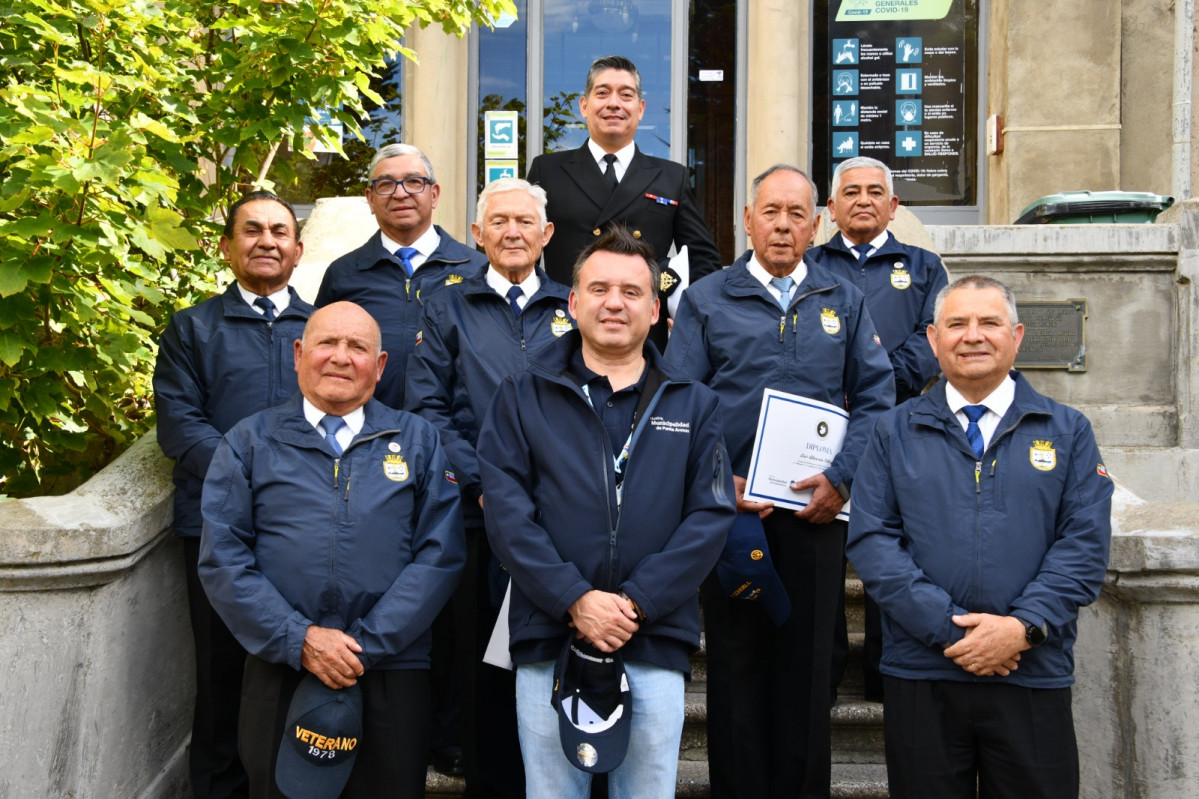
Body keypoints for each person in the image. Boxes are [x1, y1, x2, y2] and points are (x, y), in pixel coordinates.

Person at [476, 225, 736, 797]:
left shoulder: (695, 401)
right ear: (572, 303)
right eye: (598, 289)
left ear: (656, 307)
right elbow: (508, 515)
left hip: (652, 636)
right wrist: (574, 599)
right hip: (549, 634)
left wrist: (636, 604)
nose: (614, 302)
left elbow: (710, 518)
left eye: (631, 291)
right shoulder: (520, 395)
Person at [663, 164, 895, 798]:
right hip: (735, 515)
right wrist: (720, 482)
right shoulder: (707, 300)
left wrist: (842, 479)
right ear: (747, 219)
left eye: (798, 214)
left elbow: (878, 394)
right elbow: (679, 402)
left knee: (810, 670)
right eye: (772, 212)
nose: (785, 226)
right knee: (736, 671)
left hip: (817, 515)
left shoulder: (842, 298)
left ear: (816, 223)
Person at [846, 275, 1113, 798]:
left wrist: (1021, 628)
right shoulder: (892, 432)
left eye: (989, 323)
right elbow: (873, 543)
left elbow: (1083, 546)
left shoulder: (1067, 430)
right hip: (925, 674)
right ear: (932, 339)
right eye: (957, 324)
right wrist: (954, 633)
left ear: (1016, 336)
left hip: (1031, 672)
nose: (973, 336)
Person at [198, 302, 465, 798]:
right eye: (327, 343)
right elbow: (224, 557)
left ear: (380, 366)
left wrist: (366, 645)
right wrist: (299, 638)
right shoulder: (248, 442)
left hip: (390, 667)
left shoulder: (418, 441)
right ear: (299, 354)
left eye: (358, 347)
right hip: (282, 662)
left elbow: (440, 554)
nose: (341, 357)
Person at [404, 177, 574, 798]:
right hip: (474, 520)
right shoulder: (446, 306)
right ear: (476, 235)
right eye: (498, 221)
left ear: (546, 234)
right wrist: (483, 485)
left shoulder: (573, 308)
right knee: (481, 665)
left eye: (525, 222)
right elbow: (427, 408)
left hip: (561, 524)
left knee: (550, 660)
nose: (512, 232)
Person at [154, 191, 313, 799]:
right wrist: (254, 483)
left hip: (305, 529)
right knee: (222, 673)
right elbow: (181, 425)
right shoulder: (193, 329)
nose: (267, 241)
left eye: (279, 231)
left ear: (299, 251)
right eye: (252, 230)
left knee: (295, 668)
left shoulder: (322, 326)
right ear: (227, 247)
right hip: (217, 530)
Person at [808, 155, 949, 702]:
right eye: (850, 192)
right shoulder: (811, 264)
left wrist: (876, 384)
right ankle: (825, 674)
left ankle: (886, 677)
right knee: (826, 551)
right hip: (827, 430)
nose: (862, 200)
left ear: (893, 206)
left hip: (901, 427)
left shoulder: (923, 266)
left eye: (874, 192)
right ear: (832, 208)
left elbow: (932, 338)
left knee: (894, 550)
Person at [526, 55, 721, 350]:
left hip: (642, 333)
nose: (614, 103)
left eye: (626, 95)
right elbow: (524, 250)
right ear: (584, 106)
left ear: (640, 109)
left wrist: (678, 305)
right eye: (602, 93)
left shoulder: (671, 177)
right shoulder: (547, 171)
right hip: (562, 329)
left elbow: (704, 259)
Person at [315, 143, 488, 409]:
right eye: (386, 185)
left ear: (434, 194)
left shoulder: (478, 270)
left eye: (414, 182)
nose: (400, 193)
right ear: (370, 199)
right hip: (366, 436)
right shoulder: (343, 275)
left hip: (454, 438)